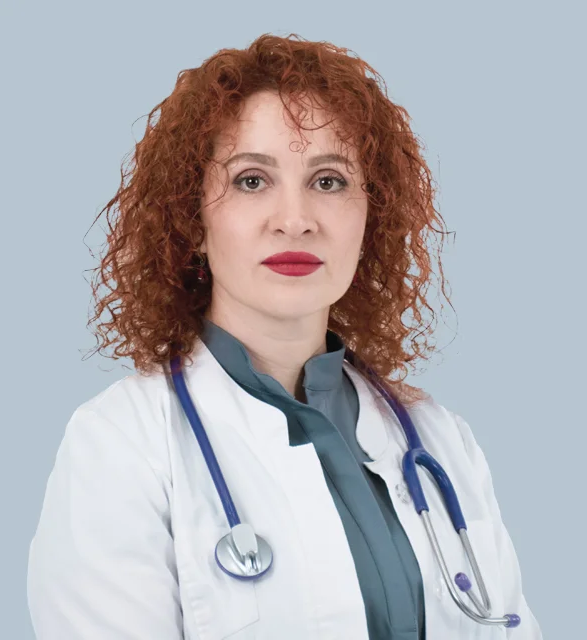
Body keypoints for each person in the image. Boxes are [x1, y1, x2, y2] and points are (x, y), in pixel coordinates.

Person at [27, 33, 542, 639]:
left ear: (369, 216)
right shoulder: (121, 446)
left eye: (329, 181)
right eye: (251, 180)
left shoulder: (441, 441)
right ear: (193, 219)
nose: (295, 220)